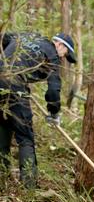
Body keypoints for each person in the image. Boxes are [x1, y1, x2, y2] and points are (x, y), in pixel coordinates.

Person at [0, 32, 76, 188]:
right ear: (59, 45)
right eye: (65, 54)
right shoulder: (52, 54)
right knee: (25, 136)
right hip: (15, 84)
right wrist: (54, 112)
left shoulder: (27, 35)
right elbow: (54, 89)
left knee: (3, 126)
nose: (62, 58)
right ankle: (29, 187)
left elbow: (4, 38)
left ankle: (2, 176)